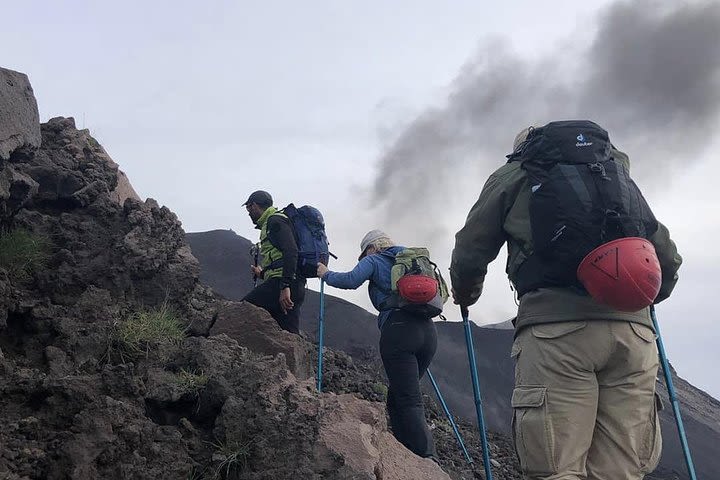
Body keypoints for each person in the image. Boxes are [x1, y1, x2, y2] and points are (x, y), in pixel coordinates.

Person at [450, 123, 682, 479]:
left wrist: (466, 295)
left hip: (556, 333)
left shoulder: (514, 175)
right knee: (620, 470)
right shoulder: (615, 176)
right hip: (633, 335)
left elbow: (470, 250)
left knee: (556, 469)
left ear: (522, 150)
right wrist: (644, 299)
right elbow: (665, 255)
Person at [317, 230, 438, 460]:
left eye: (364, 254)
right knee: (398, 395)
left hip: (399, 330)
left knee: (408, 398)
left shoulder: (374, 260)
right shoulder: (413, 261)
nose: (364, 258)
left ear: (371, 248)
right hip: (428, 333)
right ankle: (406, 453)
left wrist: (325, 273)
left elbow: (350, 281)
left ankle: (424, 457)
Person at [242, 190, 305, 335]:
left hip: (283, 285)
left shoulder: (274, 221)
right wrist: (262, 273)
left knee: (242, 309)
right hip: (296, 284)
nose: (248, 212)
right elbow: (281, 258)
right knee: (288, 334)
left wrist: (285, 286)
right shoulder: (274, 221)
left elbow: (290, 250)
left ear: (255, 205)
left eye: (248, 208)